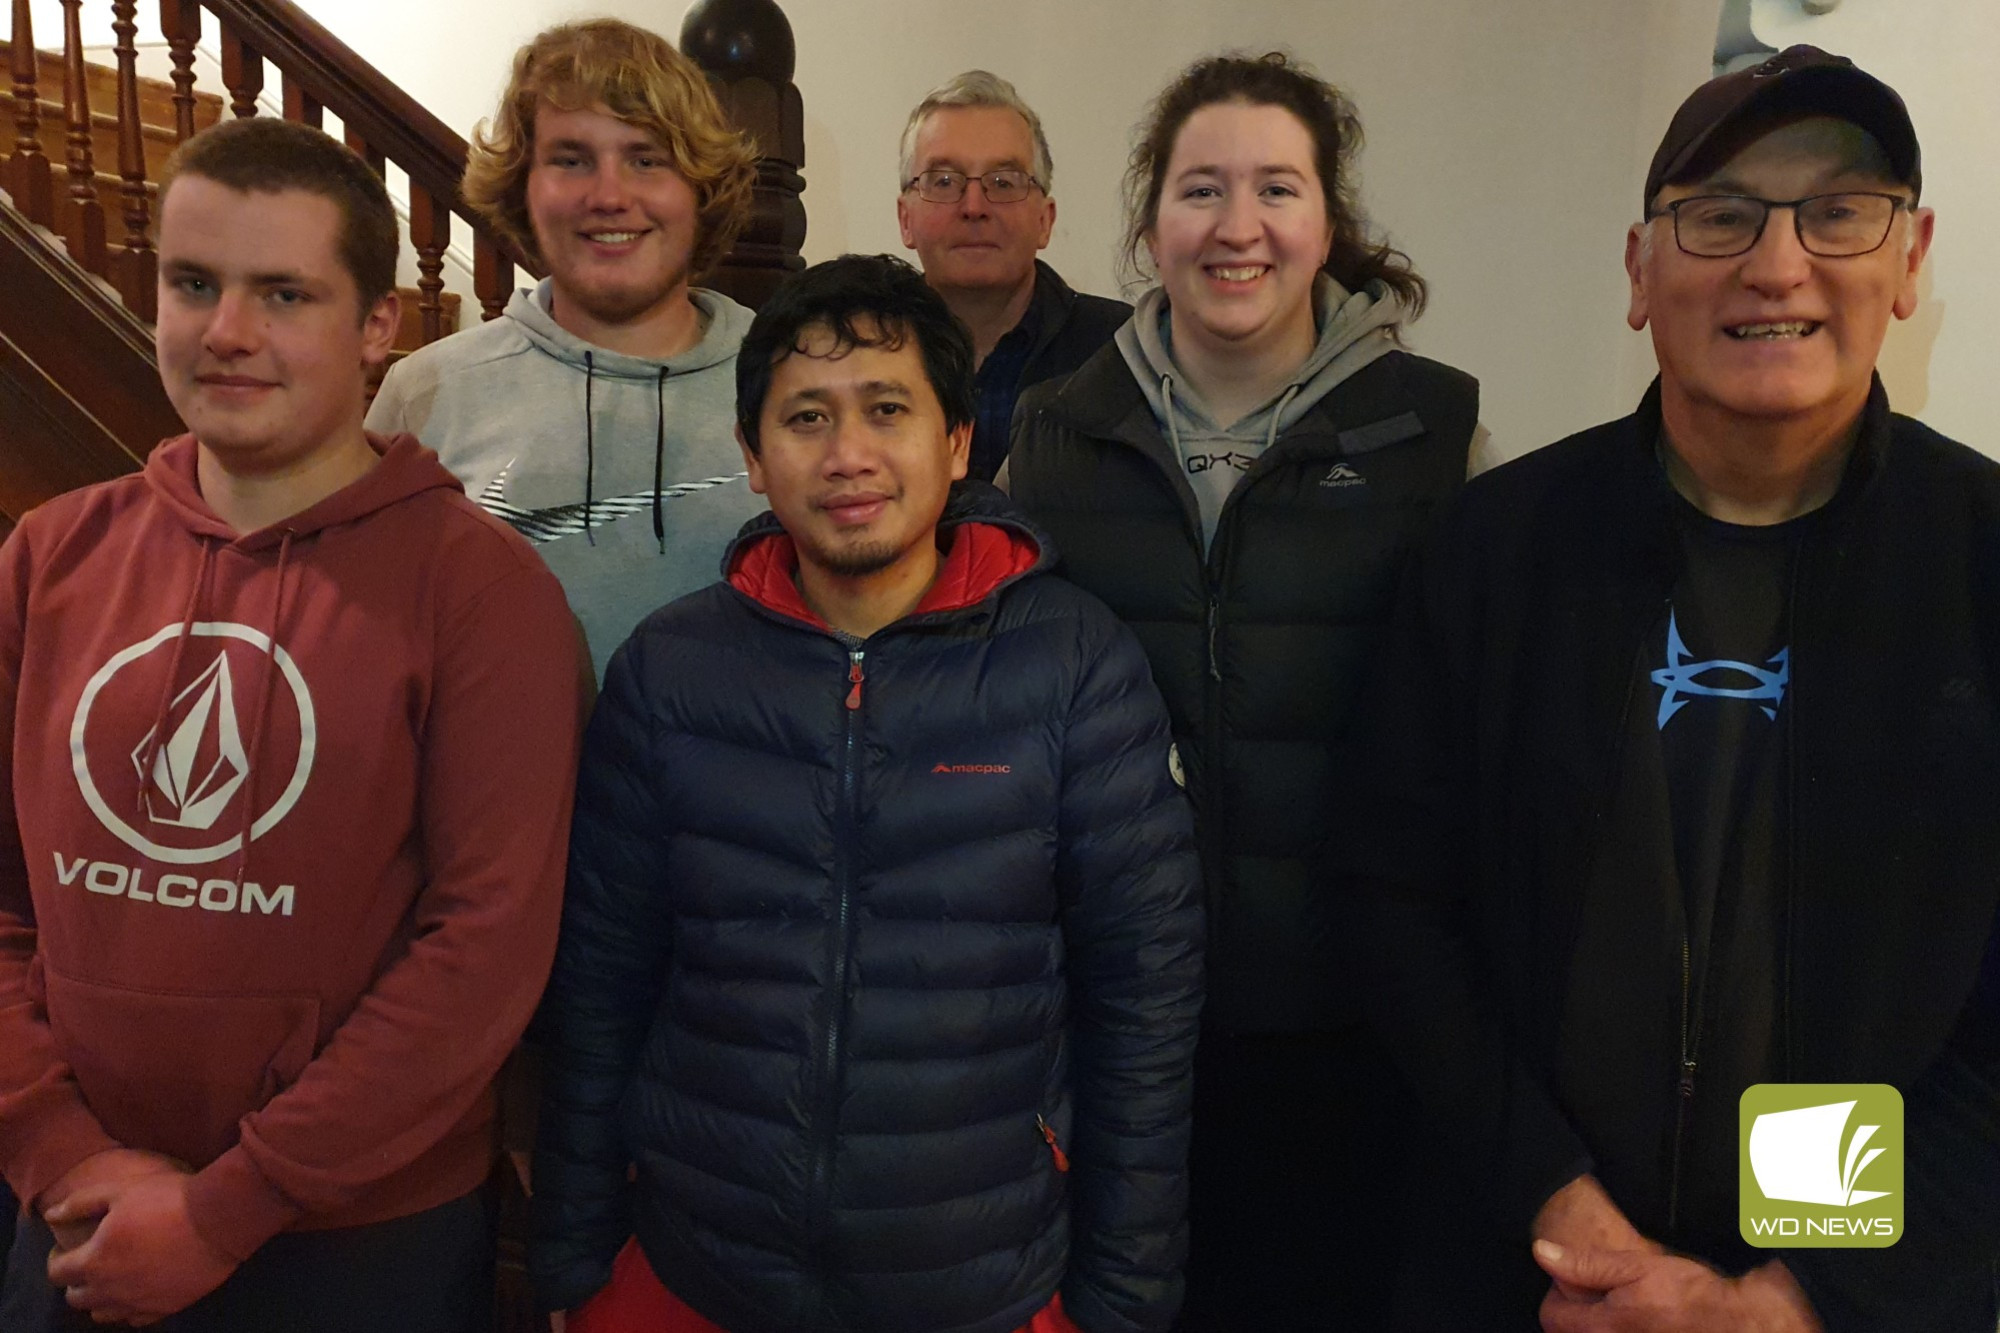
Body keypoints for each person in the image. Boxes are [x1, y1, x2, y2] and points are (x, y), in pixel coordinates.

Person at [1349, 46, 2000, 1331]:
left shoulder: (1976, 558)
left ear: (1909, 257)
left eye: (1836, 212)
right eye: (1717, 216)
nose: (1774, 265)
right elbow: (1390, 899)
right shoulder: (1496, 547)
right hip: (1529, 1268)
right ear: (1640, 274)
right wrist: (1562, 1208)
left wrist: (1789, 1293)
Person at [529, 254, 1204, 1333]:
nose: (847, 455)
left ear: (955, 441)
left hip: (985, 1280)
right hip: (692, 1268)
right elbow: (601, 983)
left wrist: (1121, 1301)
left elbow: (1144, 1010)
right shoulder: (670, 671)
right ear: (752, 455)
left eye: (886, 409)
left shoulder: (1074, 665)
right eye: (805, 417)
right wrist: (569, 1256)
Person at [0, 117, 584, 1330]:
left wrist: (225, 1209)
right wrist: (61, 1149)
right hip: (76, 1213)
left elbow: (483, 952)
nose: (227, 332)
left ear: (378, 325)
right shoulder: (49, 558)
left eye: (284, 293)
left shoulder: (482, 592)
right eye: (194, 283)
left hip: (360, 1236)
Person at [1005, 52, 1478, 1329]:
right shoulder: (1049, 433)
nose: (1237, 226)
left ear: (1329, 221)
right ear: (1151, 222)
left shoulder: (1438, 434)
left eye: (1277, 187)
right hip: (1107, 1018)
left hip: (1354, 1024)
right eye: (1199, 189)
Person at [368, 18, 762, 678]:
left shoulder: (790, 375)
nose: (609, 196)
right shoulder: (426, 391)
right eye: (571, 159)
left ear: (699, 188)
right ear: (524, 185)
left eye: (646, 159)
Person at [898, 71, 1130, 482]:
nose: (974, 206)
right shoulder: (861, 354)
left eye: (1003, 182)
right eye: (944, 181)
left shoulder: (1122, 353)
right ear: (905, 220)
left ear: (1045, 220)